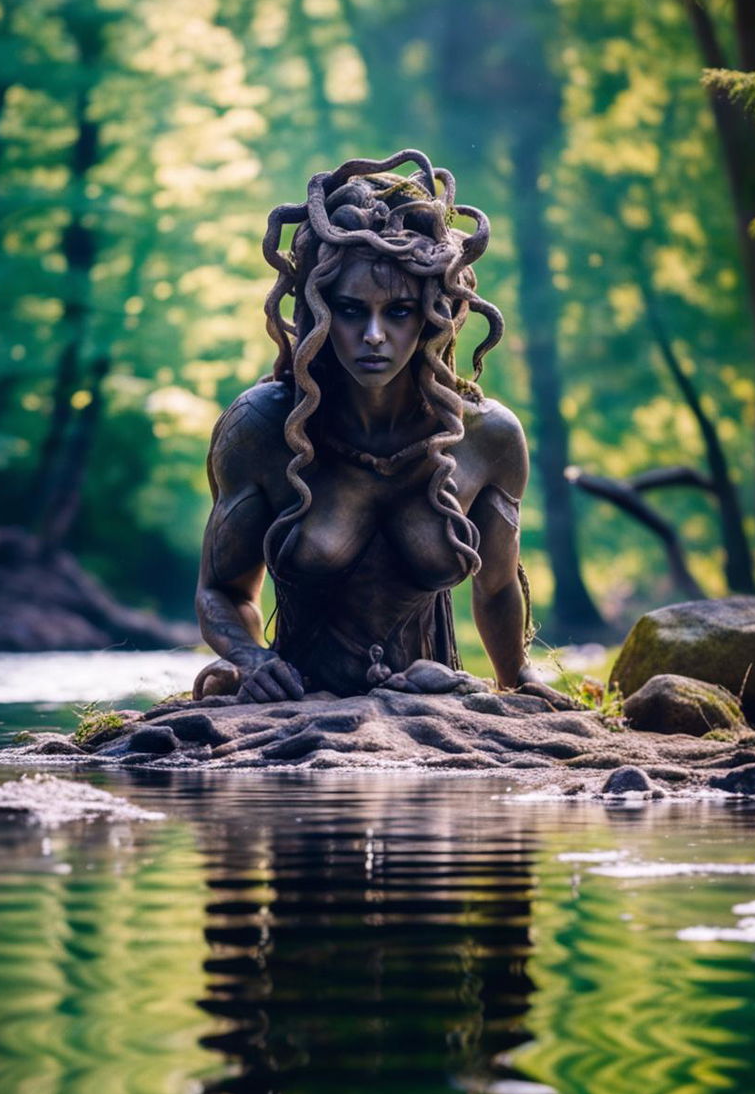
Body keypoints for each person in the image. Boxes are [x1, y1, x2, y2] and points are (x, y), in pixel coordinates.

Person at [196, 149, 555, 704]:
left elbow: (499, 585)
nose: (373, 334)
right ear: (317, 309)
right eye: (349, 309)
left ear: (434, 311)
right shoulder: (260, 428)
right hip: (294, 706)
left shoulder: (489, 437)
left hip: (440, 704)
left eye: (399, 311)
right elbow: (221, 591)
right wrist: (251, 659)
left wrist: (518, 680)